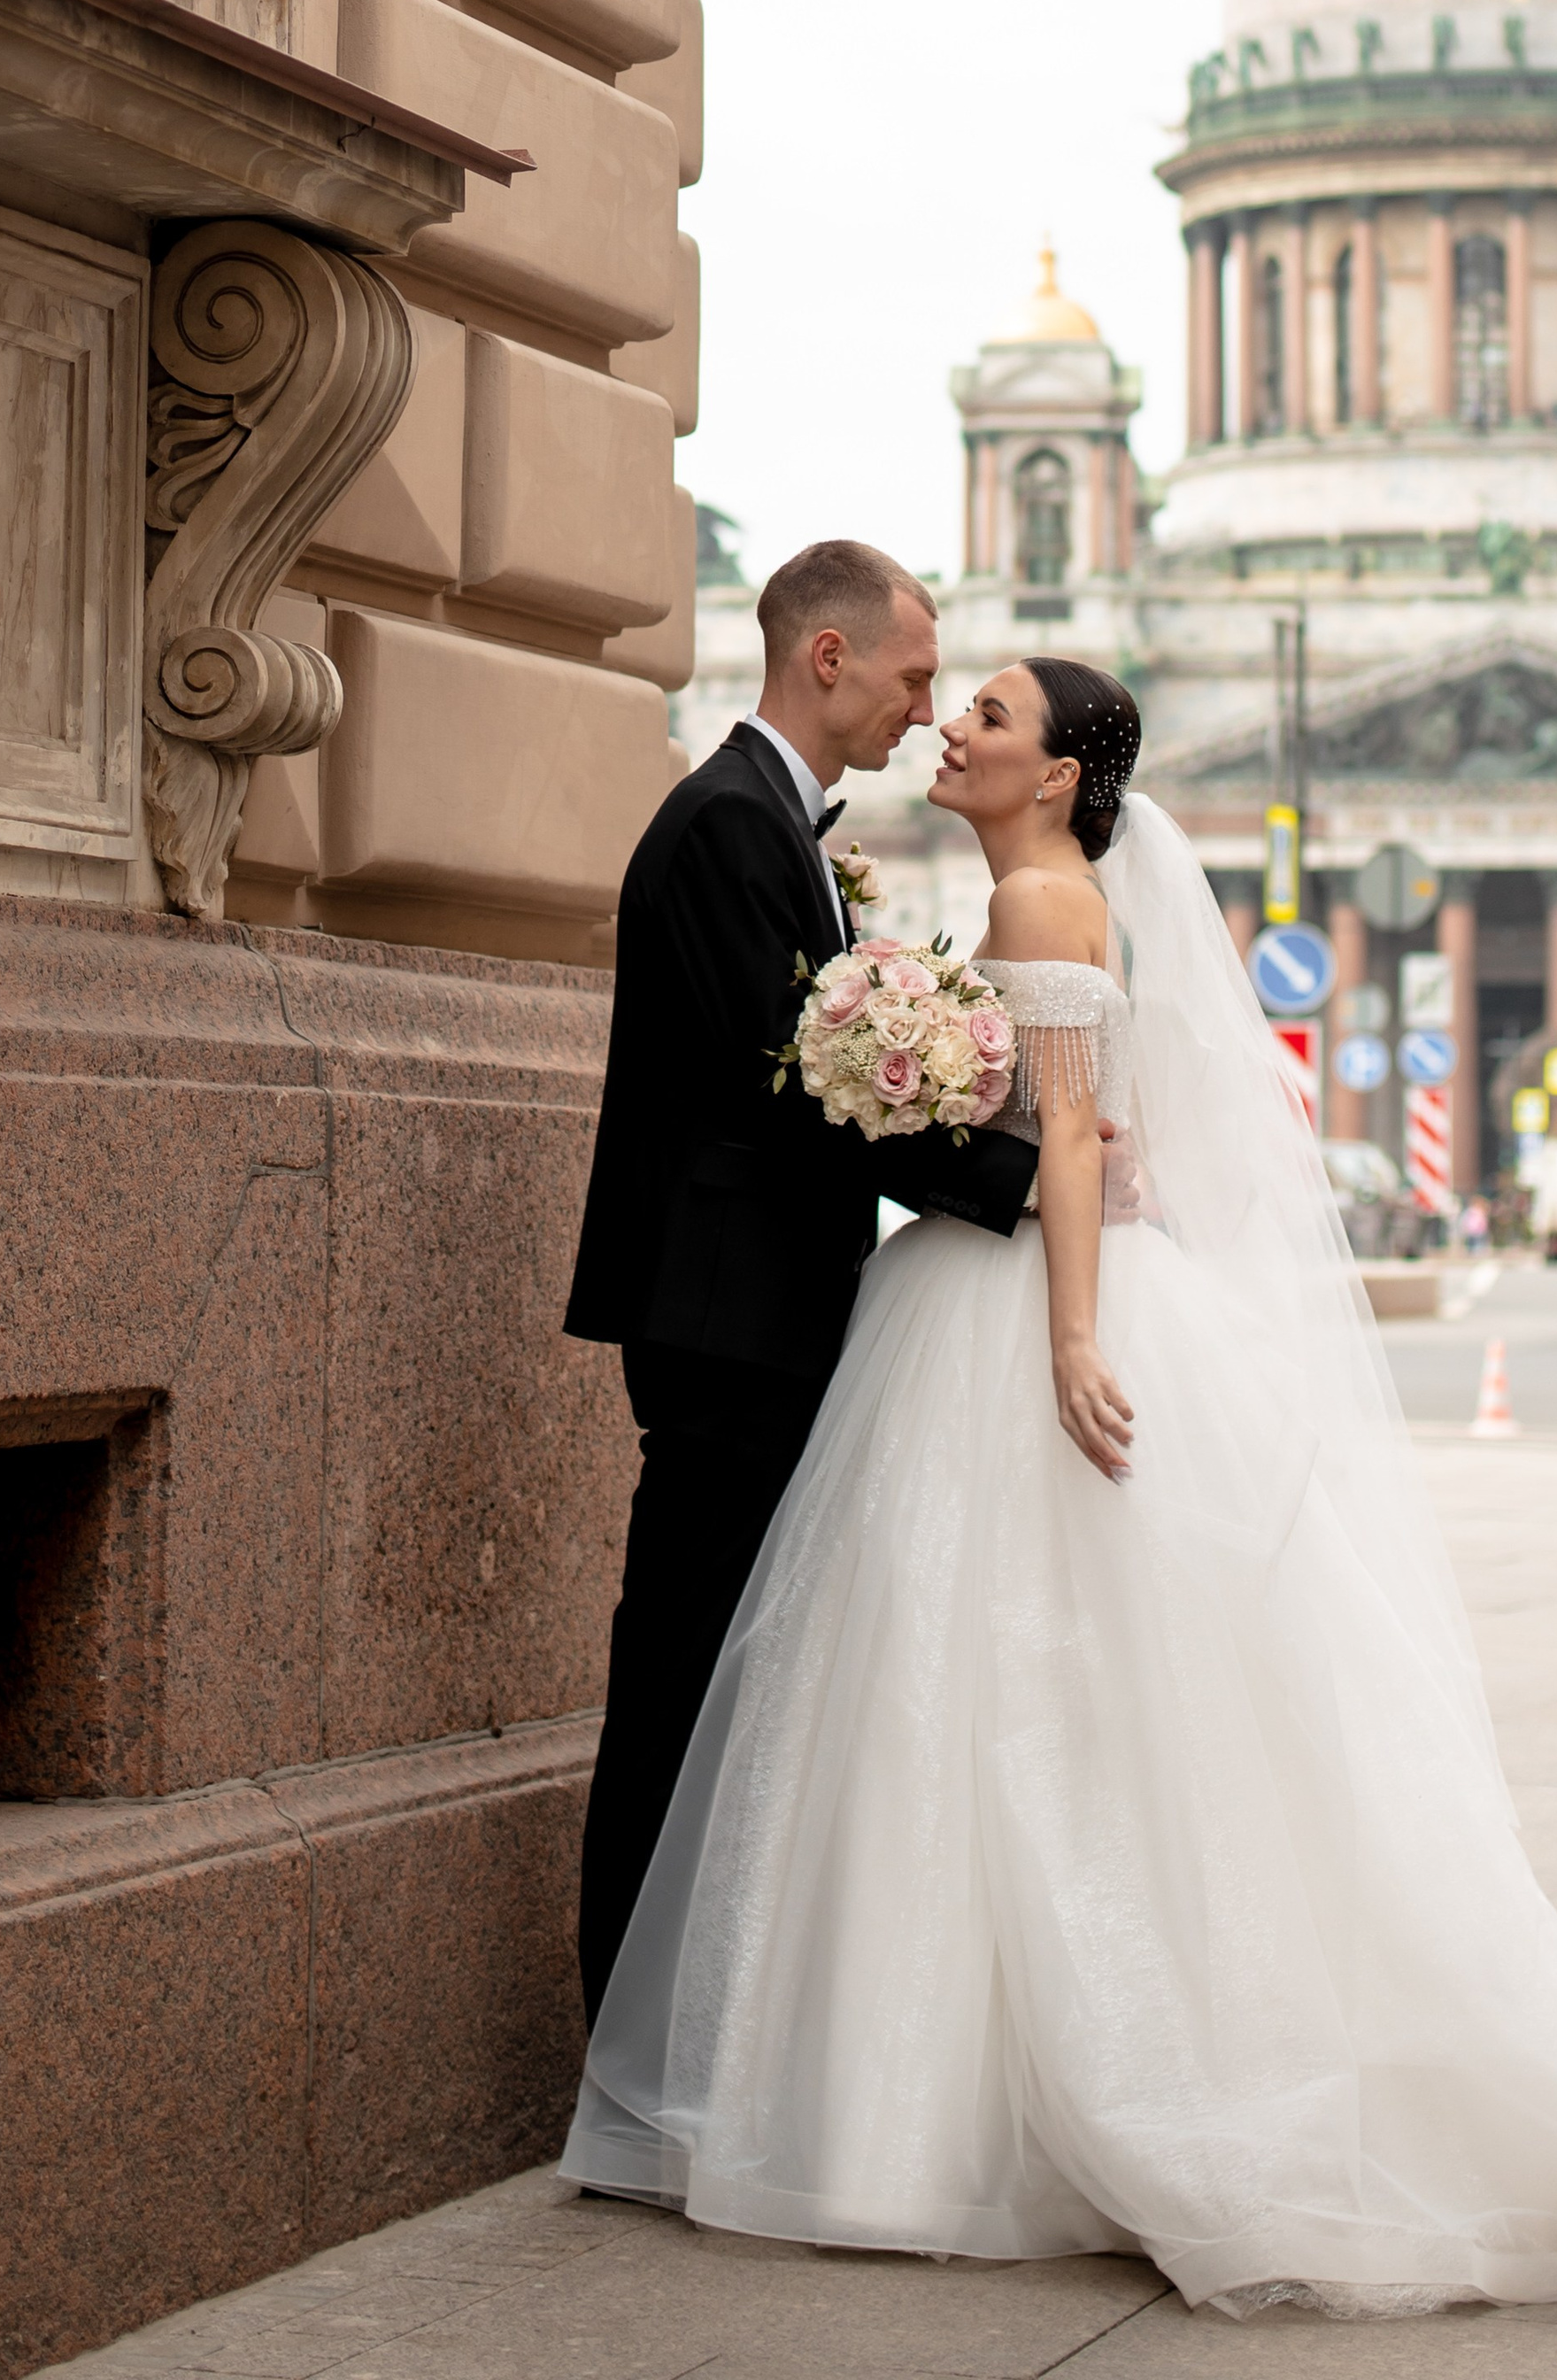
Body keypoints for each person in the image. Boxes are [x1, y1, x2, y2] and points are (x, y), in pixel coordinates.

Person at [563, 659, 1557, 2315]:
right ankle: (948, 2079)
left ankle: (958, 2092)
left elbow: (1073, 1141)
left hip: (1012, 1303)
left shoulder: (1048, 905)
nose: (952, 727)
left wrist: (1070, 1335)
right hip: (971, 1282)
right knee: (989, 1688)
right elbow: (1058, 1128)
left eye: (985, 712)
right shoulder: (1024, 884)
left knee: (984, 1685)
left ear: (1061, 774)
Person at [565, 541, 1043, 2021]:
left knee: (722, 1682)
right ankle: (629, 2039)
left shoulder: (773, 823)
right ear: (827, 661)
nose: (924, 709)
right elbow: (805, 1095)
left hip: (755, 1318)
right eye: (912, 678)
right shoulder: (727, 828)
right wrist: (1028, 1190)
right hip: (728, 1329)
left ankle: (674, 2026)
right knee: (682, 1686)